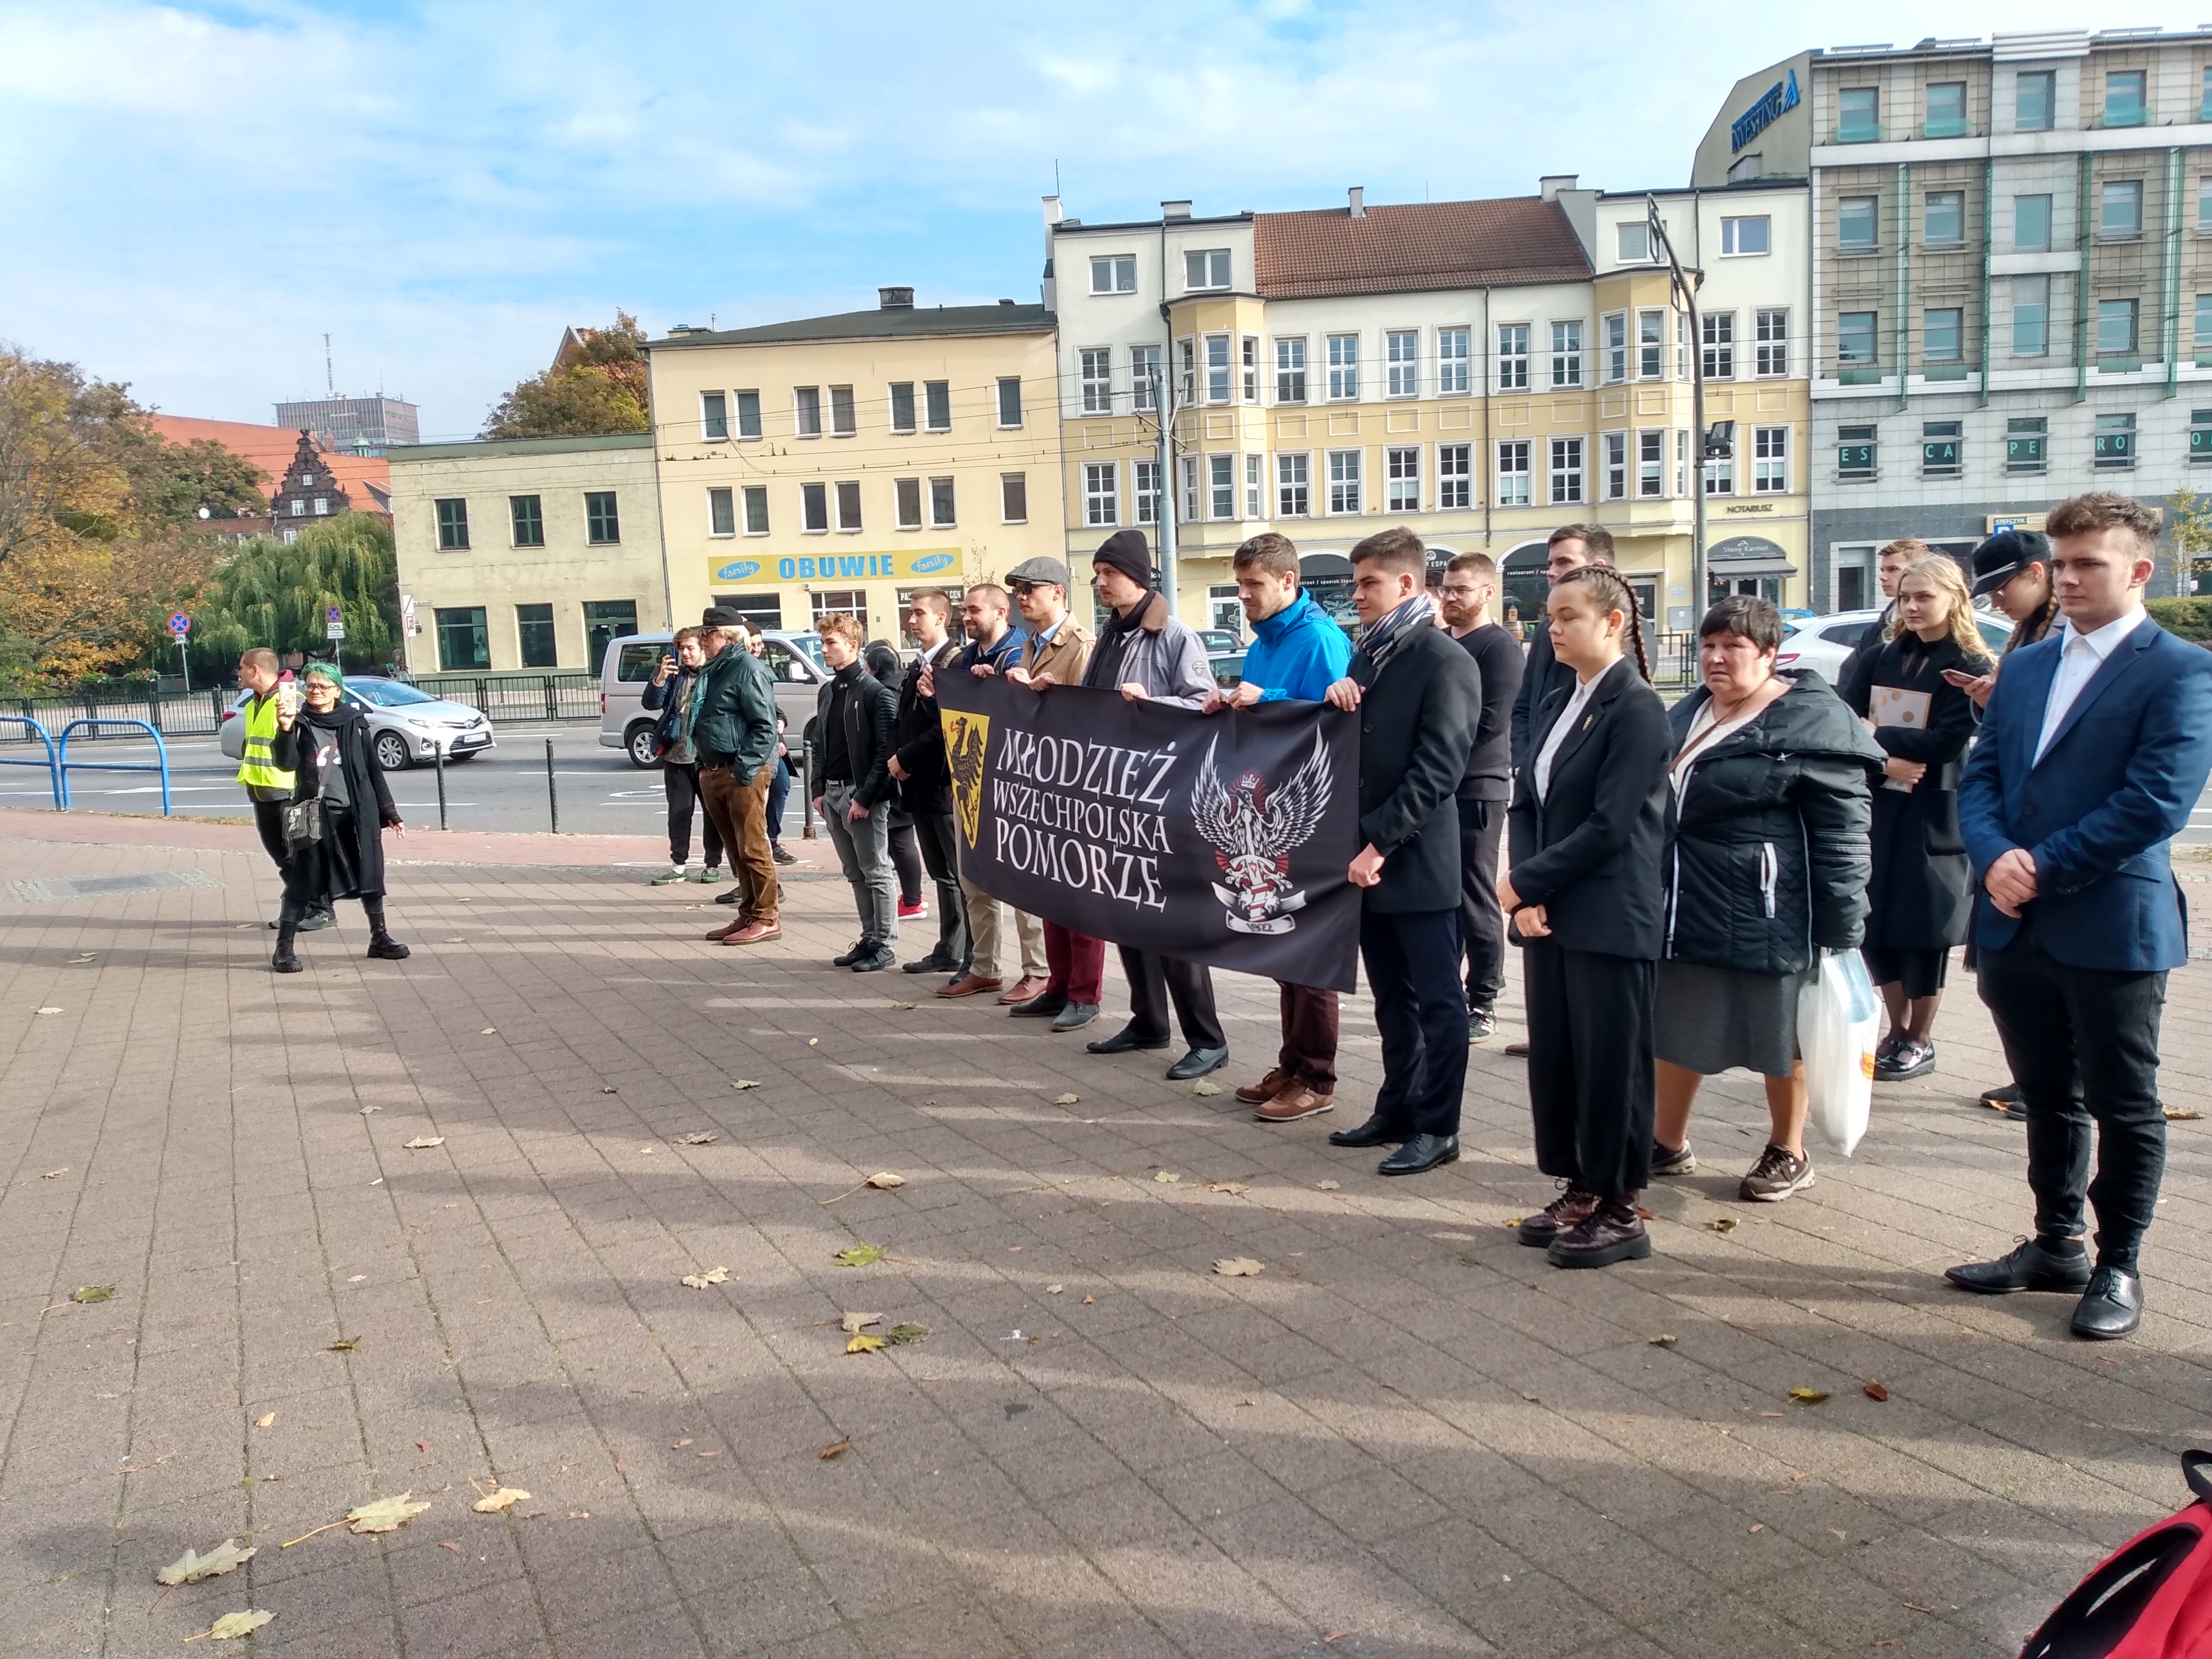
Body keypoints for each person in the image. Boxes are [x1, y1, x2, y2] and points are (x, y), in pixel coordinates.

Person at [1949, 492, 2212, 1340]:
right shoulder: (2024, 666)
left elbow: (2156, 803)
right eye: (2059, 564)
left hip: (2108, 922)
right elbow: (1983, 775)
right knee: (2046, 1094)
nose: (2066, 579)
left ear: (2138, 571)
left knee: (2122, 1098)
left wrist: (2042, 868)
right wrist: (1994, 860)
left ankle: (2118, 1263)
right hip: (2013, 918)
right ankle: (2055, 1241)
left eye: (2087, 564)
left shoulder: (2180, 669)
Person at [1649, 597, 1883, 1202]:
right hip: (1688, 903)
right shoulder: (1691, 711)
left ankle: (1788, 1149)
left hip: (1774, 912)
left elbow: (1843, 838)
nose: (1715, 659)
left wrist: (1841, 932)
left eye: (1732, 648)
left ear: (1770, 655)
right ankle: (1664, 1142)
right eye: (1708, 646)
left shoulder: (1810, 723)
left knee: (1786, 1038)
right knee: (1679, 1026)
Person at [1500, 565, 1672, 1264]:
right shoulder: (1560, 698)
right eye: (1550, 615)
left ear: (1613, 623)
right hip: (1556, 910)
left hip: (1611, 912)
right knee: (1563, 1059)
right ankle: (1580, 1183)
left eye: (1568, 615)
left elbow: (1611, 825)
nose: (1553, 626)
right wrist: (1531, 897)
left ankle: (1622, 1204)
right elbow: (1530, 801)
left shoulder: (1636, 708)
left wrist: (1523, 883)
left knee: (1613, 1062)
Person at [1320, 528, 1484, 1174]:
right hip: (1367, 858)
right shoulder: (1369, 655)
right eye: (1355, 583)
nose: (1355, 594)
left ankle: (1439, 1127)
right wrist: (1337, 700)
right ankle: (1397, 1106)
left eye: (1368, 584)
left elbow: (1438, 771)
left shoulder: (1445, 661)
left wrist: (1377, 842)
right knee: (1391, 996)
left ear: (1407, 585)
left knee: (1439, 1003)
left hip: (1413, 861)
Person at [1203, 533, 1354, 1121]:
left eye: (1253, 586)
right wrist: (1228, 701)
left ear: (1287, 583)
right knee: (1280, 944)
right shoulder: (1264, 639)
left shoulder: (1318, 637)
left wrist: (1265, 695)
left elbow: (1335, 720)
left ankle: (1317, 1078)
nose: (1243, 596)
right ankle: (1291, 1064)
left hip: (1311, 816)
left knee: (1309, 950)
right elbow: (1265, 708)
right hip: (1268, 805)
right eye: (1240, 586)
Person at [1074, 529, 1230, 1080]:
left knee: (1173, 924)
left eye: (1106, 574)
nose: (1098, 584)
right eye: (1096, 575)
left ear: (1135, 575)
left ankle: (1207, 1039)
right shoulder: (1112, 635)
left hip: (1162, 801)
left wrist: (1153, 702)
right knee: (1126, 914)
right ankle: (1147, 1021)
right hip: (1117, 800)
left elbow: (1202, 702)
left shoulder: (1173, 635)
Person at [1846, 554, 1991, 1081]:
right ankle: (1895, 1028)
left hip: (1934, 809)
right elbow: (1844, 716)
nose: (1910, 606)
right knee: (1873, 924)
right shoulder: (1880, 656)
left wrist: (1875, 736)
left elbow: (1947, 739)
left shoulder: (1969, 664)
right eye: (1904, 597)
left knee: (1922, 928)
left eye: (1922, 597)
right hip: (1880, 804)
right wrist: (1886, 755)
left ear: (1953, 598)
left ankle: (1918, 1037)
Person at [1955, 529, 2059, 1116]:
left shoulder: (2060, 633)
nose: (1995, 600)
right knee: (2005, 977)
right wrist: (1986, 698)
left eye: (2003, 586)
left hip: (2042, 835)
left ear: (2036, 573)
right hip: (2007, 827)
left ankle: (2047, 1080)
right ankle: (2030, 1076)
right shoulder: (2027, 633)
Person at [933, 583, 1046, 1001]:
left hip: (1015, 789)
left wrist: (999, 683)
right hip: (973, 783)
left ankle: (1037, 970)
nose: (966, 617)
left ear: (1001, 613)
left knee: (1021, 884)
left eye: (974, 610)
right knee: (972, 879)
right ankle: (985, 967)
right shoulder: (967, 657)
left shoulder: (1021, 652)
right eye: (964, 610)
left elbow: (1028, 710)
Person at [1002, 557, 1103, 1025]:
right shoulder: (1030, 644)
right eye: (1018, 590)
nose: (1021, 598)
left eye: (1030, 589)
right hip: (1043, 784)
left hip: (1077, 785)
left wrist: (1047, 691)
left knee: (1082, 896)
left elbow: (1089, 716)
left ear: (1059, 592)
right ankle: (1059, 986)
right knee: (1051, 893)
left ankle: (1085, 993)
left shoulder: (1081, 645)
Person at [269, 662, 409, 971]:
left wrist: (389, 811)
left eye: (323, 686)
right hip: (316, 816)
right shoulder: (300, 721)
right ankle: (284, 948)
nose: (316, 692)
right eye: (310, 686)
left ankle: (379, 938)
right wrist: (285, 728)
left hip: (358, 813)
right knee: (303, 880)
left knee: (370, 875)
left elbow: (373, 770)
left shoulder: (355, 722)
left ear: (337, 690)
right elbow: (286, 764)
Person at [1439, 551, 1523, 1041]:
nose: (1451, 597)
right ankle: (1446, 990)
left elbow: (1489, 722)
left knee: (1475, 894)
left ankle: (1485, 997)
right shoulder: (1438, 642)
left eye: (1461, 589)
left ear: (1487, 592)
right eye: (1446, 588)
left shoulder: (1500, 648)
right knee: (1445, 895)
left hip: (1479, 788)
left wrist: (1433, 742)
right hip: (1440, 788)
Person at [887, 591, 970, 979]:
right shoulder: (919, 664)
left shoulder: (955, 662)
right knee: (940, 871)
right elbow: (905, 719)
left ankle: (969, 952)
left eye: (919, 613)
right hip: (920, 784)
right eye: (910, 613)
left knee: (956, 873)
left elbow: (949, 727)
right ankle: (948, 948)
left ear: (941, 618)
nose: (911, 620)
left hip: (944, 783)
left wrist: (905, 757)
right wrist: (898, 757)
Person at [814, 613, 901, 971]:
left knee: (876, 870)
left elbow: (885, 751)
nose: (824, 650)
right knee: (854, 872)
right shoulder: (829, 690)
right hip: (832, 794)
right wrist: (818, 789)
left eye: (831, 643)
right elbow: (819, 742)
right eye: (822, 643)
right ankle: (869, 938)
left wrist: (865, 797)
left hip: (860, 794)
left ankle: (885, 943)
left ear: (852, 645)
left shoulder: (875, 693)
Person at [691, 609, 782, 946]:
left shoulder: (748, 669)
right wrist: (704, 767)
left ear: (726, 636)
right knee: (735, 850)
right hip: (713, 770)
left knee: (753, 848)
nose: (702, 639)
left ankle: (766, 917)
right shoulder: (715, 670)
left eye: (707, 633)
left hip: (740, 772)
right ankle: (748, 913)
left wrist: (743, 769)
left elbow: (765, 726)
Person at [1508, 524, 1613, 770]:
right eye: (1550, 564)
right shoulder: (1546, 630)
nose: (1552, 572)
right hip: (1536, 778)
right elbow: (1524, 706)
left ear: (1598, 568)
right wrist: (1524, 763)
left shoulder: (1626, 631)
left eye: (1564, 562)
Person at [642, 628, 724, 886]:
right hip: (677, 757)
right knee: (679, 813)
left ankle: (712, 864)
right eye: (681, 649)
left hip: (707, 758)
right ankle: (679, 866)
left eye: (690, 648)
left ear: (702, 647)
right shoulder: (675, 676)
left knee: (713, 814)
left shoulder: (716, 673)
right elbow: (652, 705)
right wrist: (659, 679)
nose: (685, 654)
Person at [1837, 538, 1930, 714]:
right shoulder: (1877, 629)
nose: (1883, 576)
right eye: (1882, 570)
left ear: (1919, 571)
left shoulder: (1939, 633)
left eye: (1893, 569)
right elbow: (1849, 679)